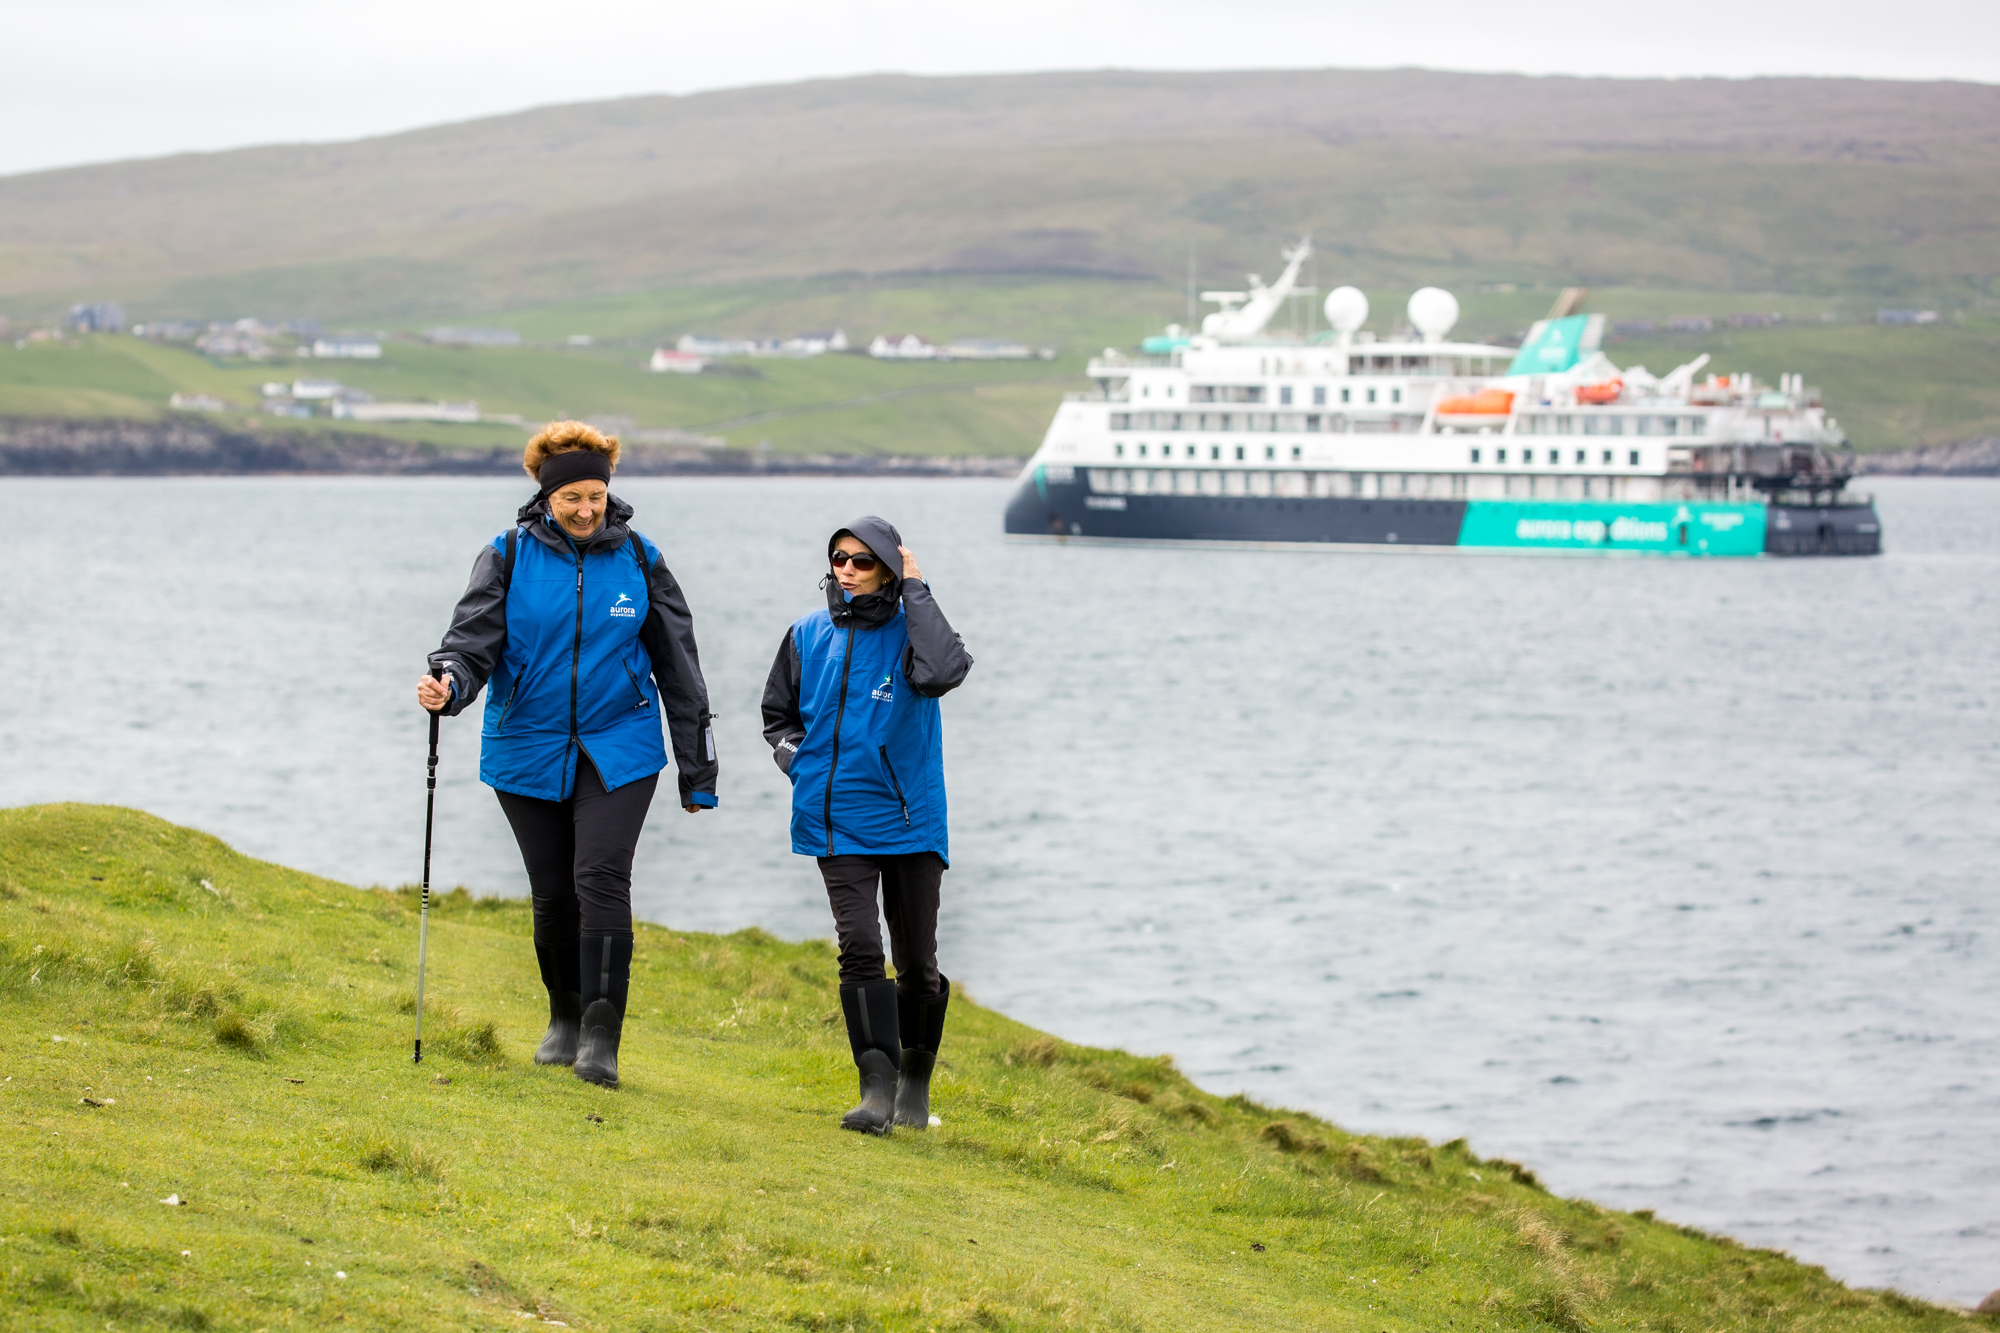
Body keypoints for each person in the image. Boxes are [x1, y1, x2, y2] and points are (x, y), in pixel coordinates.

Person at [416, 421, 717, 1090]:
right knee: (553, 893)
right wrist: (449, 685)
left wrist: (698, 770)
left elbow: (680, 666)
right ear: (545, 495)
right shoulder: (508, 556)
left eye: (596, 497)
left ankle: (602, 1039)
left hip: (622, 744)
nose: (586, 510)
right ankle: (564, 1017)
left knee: (601, 879)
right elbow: (469, 646)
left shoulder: (639, 559)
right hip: (527, 744)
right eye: (571, 498)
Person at [761, 517, 973, 1134]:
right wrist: (798, 763)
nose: (846, 570)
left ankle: (913, 1084)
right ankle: (875, 1090)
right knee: (859, 948)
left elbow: (942, 673)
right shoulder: (806, 633)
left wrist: (917, 588)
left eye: (861, 561)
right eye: (838, 559)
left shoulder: (915, 629)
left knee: (917, 965)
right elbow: (777, 713)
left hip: (910, 818)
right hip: (836, 815)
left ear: (887, 567)